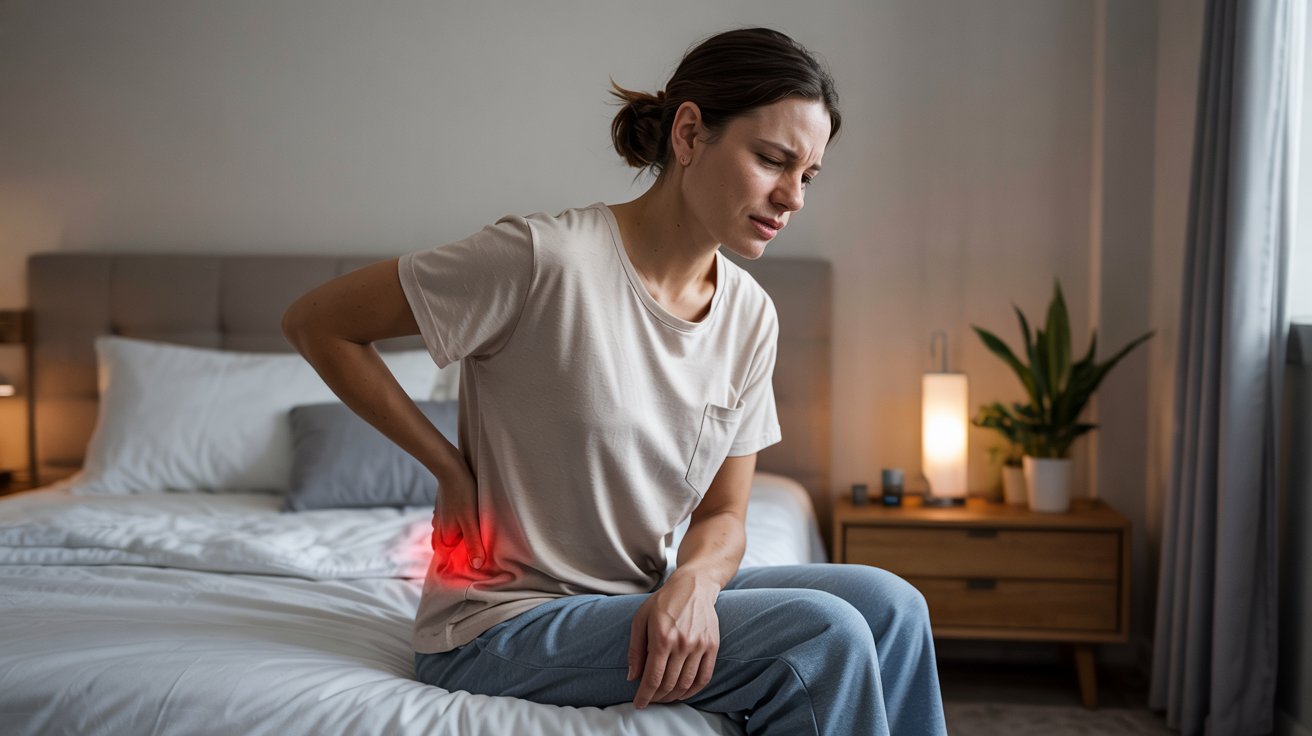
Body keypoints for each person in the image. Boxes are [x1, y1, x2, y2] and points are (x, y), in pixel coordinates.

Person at [282, 26, 947, 736]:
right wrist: (447, 468)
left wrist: (693, 582)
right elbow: (318, 322)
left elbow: (725, 515)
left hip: (636, 592)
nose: (793, 198)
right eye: (772, 160)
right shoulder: (545, 261)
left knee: (892, 605)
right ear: (690, 133)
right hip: (500, 624)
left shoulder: (751, 314)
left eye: (807, 175)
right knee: (822, 634)